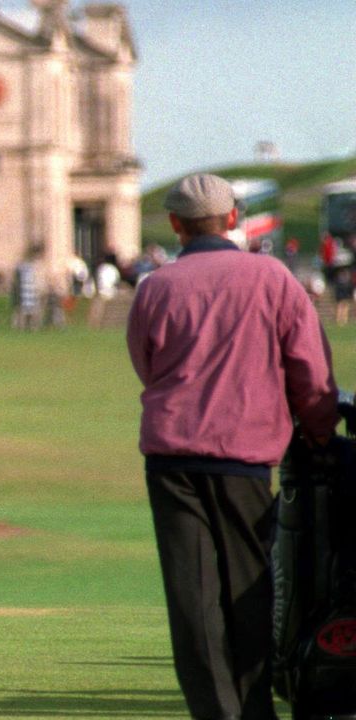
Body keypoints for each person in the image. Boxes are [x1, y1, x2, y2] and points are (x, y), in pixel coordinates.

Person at [126, 173, 338, 720]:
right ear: (232, 219)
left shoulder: (156, 286)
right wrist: (317, 429)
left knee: (193, 598)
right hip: (244, 458)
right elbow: (309, 371)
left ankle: (215, 712)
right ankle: (252, 708)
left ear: (175, 224)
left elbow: (148, 369)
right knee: (248, 589)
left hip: (172, 457)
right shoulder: (271, 277)